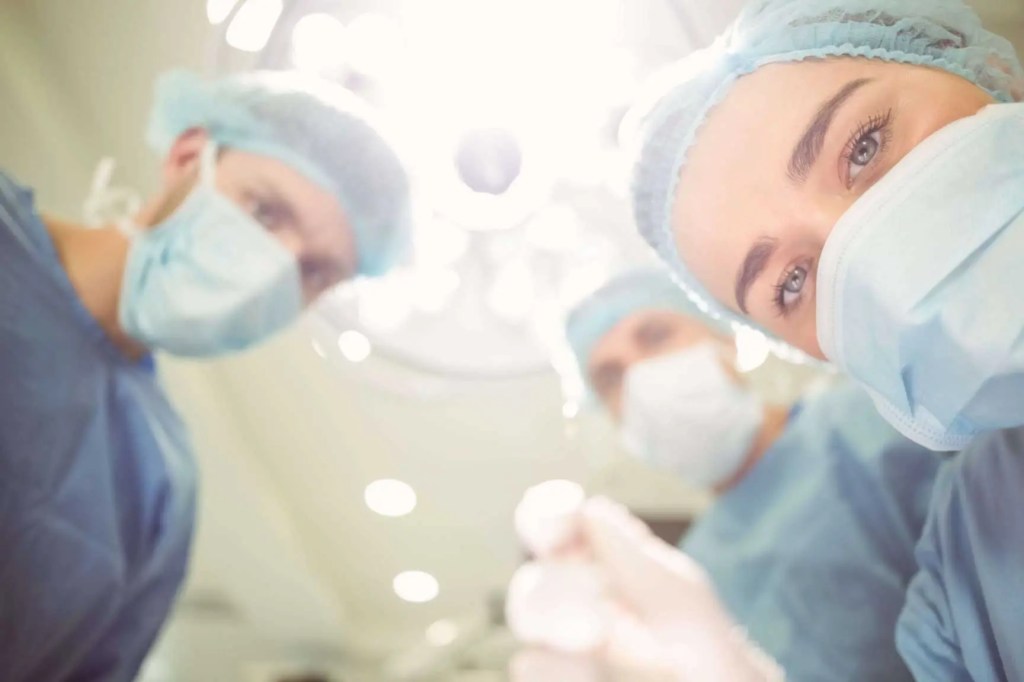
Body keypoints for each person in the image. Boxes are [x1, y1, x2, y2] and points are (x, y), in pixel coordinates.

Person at [0, 70, 411, 682]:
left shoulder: (163, 481)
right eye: (265, 211)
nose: (275, 268)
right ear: (188, 155)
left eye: (318, 271)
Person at [627, 0, 1024, 450]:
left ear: (987, 69)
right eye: (792, 282)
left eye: (864, 149)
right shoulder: (979, 513)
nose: (866, 253)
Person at [511, 267, 942, 680]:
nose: (639, 376)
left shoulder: (872, 425)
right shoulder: (690, 576)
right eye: (610, 377)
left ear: (727, 338)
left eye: (656, 336)